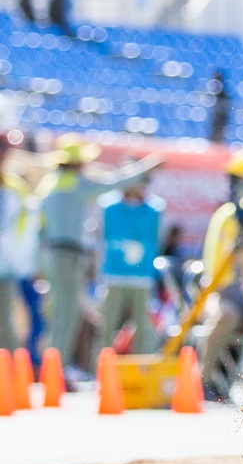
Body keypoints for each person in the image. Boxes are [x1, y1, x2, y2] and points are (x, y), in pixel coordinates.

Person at [36, 134, 161, 380]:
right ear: (75, 163)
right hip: (69, 253)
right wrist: (146, 167)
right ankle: (56, 372)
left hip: (51, 252)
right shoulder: (75, 183)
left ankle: (52, 368)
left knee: (58, 313)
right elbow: (114, 182)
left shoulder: (50, 183)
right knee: (67, 315)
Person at [198, 148, 243, 400]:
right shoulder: (227, 216)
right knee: (224, 317)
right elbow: (216, 264)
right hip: (225, 292)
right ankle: (203, 381)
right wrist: (237, 246)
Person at [94, 165, 165, 357]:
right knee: (107, 324)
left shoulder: (155, 209)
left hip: (141, 277)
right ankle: (100, 368)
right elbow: (101, 238)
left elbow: (159, 239)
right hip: (113, 274)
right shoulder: (108, 207)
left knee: (143, 326)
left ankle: (142, 368)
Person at [0, 136, 36, 353]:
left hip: (6, 267)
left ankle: (11, 375)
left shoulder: (15, 188)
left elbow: (24, 229)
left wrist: (22, 263)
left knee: (5, 323)